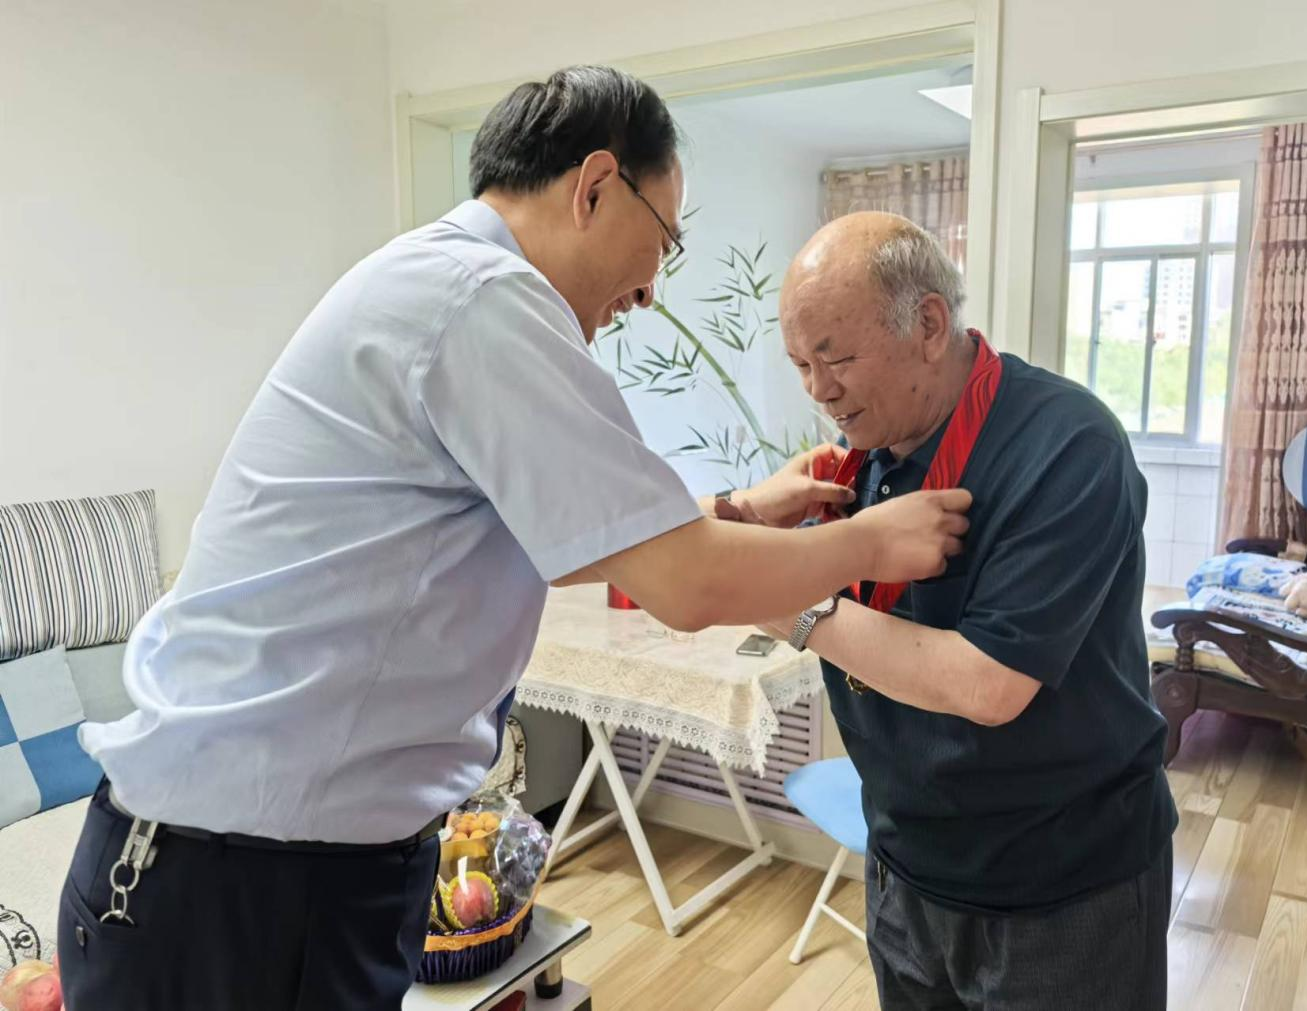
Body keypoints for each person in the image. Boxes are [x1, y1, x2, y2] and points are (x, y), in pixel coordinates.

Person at [57, 68, 970, 1010]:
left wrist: (736, 507)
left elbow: (565, 531)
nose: (648, 291)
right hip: (239, 882)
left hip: (278, 865)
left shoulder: (440, 283)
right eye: (663, 242)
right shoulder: (483, 297)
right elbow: (683, 584)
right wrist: (871, 541)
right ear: (595, 186)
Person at [757, 213, 1176, 1011]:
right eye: (800, 364)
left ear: (927, 324)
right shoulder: (859, 457)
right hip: (904, 861)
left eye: (834, 358)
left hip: (1061, 883)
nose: (817, 390)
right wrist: (758, 524)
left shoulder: (1069, 443)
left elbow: (988, 684)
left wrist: (787, 597)